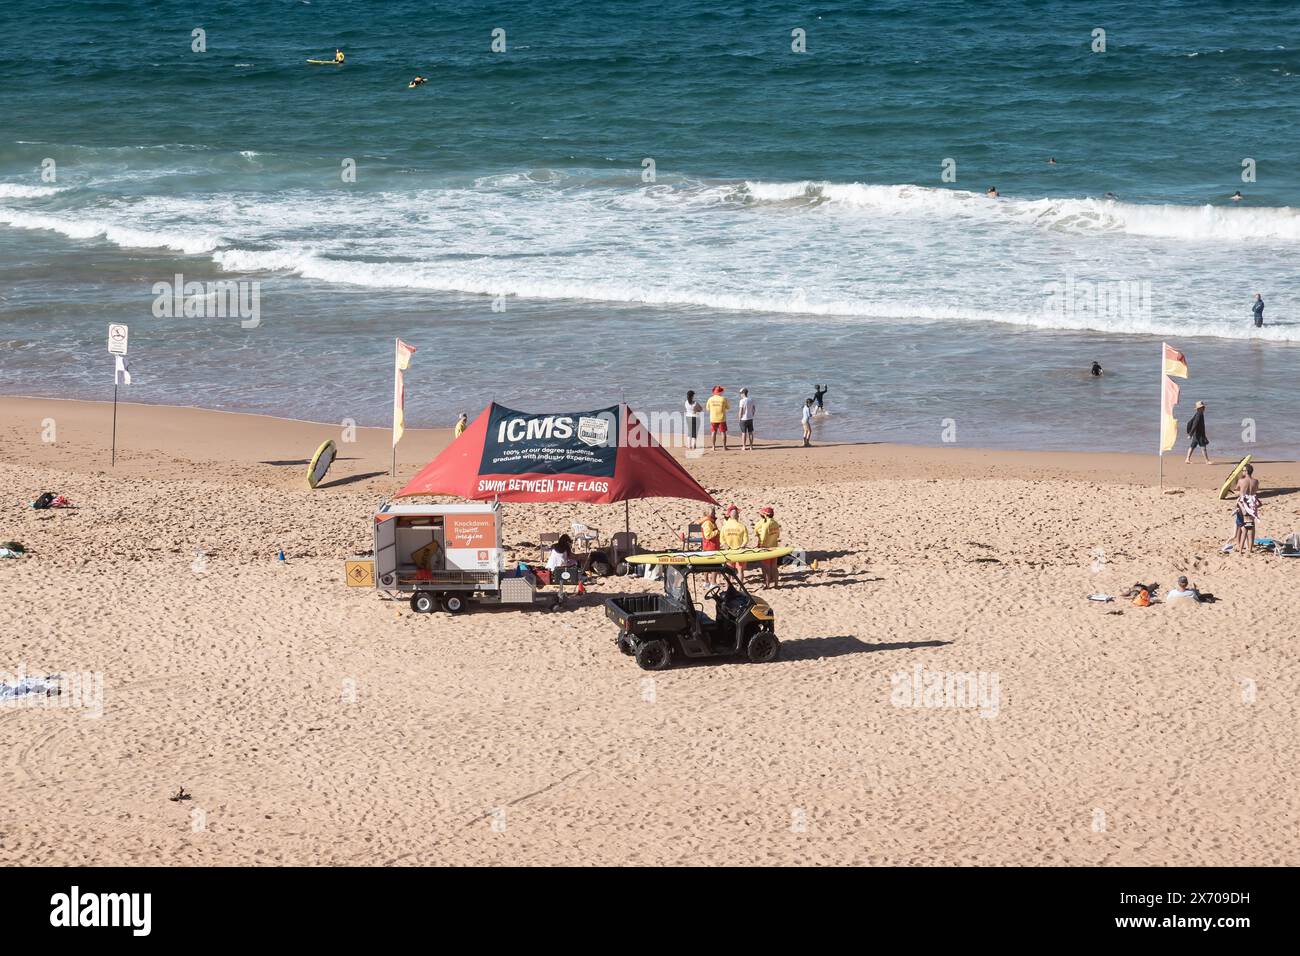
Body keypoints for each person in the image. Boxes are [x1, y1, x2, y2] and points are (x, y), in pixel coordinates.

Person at [753, 506, 782, 589]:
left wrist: (759, 546)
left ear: (766, 515)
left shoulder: (766, 525)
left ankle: (767, 585)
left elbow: (763, 538)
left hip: (766, 547)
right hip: (774, 546)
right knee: (774, 567)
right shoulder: (776, 523)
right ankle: (776, 584)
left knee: (767, 568)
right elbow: (778, 535)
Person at [719, 504, 750, 578]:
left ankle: (729, 586)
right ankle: (741, 586)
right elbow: (746, 540)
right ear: (738, 515)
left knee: (729, 570)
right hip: (740, 551)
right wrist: (742, 546)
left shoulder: (724, 527)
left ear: (729, 515)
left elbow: (721, 539)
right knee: (740, 570)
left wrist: (725, 545)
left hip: (729, 550)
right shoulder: (742, 526)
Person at [1235, 492, 1261, 556]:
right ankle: (1250, 550)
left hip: (1245, 523)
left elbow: (1237, 503)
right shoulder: (1252, 509)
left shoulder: (1244, 508)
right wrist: (1256, 498)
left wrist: (1240, 499)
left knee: (1243, 538)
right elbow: (1260, 504)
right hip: (1251, 522)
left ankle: (1240, 552)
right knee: (1250, 538)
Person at [706, 385, 730, 450]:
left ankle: (713, 447)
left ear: (714, 392)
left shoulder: (710, 399)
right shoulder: (724, 399)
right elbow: (728, 407)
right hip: (722, 418)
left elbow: (707, 409)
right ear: (720, 392)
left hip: (713, 418)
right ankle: (724, 447)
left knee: (713, 432)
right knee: (723, 432)